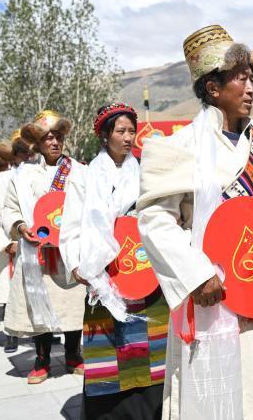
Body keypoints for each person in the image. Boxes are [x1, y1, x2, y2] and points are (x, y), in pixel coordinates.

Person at [137, 25, 253, 419]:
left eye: (251, 78)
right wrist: (196, 275)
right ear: (213, 88)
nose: (250, 88)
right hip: (216, 300)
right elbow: (155, 220)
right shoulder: (179, 148)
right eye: (240, 78)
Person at [62, 103, 168, 420]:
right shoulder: (85, 177)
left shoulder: (147, 173)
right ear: (105, 135)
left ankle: (151, 412)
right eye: (120, 131)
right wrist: (77, 265)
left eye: (131, 131)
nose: (128, 137)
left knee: (152, 349)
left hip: (144, 272)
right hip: (104, 276)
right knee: (109, 352)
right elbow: (71, 225)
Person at [2, 110, 87, 384]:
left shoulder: (79, 171)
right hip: (36, 252)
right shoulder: (22, 176)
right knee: (39, 304)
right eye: (48, 138)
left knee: (73, 304)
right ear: (38, 143)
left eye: (58, 137)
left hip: (69, 252)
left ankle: (73, 354)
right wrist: (20, 227)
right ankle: (42, 360)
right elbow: (10, 209)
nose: (54, 142)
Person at [0, 139, 23, 351]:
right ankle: (11, 335)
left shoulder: (34, 174)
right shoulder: (0, 181)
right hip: (10, 243)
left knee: (37, 289)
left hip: (33, 242)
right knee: (10, 291)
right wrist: (5, 243)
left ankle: (43, 333)